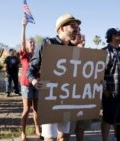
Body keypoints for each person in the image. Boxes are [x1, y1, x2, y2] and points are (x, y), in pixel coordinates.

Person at [27, 13, 82, 141]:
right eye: (73, 26)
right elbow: (30, 70)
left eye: (78, 27)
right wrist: (34, 81)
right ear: (62, 28)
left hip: (67, 98)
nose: (77, 29)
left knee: (64, 136)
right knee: (50, 137)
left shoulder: (75, 50)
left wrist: (94, 81)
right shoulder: (46, 44)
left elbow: (81, 74)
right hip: (50, 98)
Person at [19, 17, 42, 141]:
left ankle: (38, 129)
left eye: (33, 42)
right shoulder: (24, 55)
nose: (32, 44)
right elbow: (22, 43)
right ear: (27, 46)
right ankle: (23, 132)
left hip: (37, 84)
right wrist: (24, 27)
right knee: (27, 109)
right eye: (30, 43)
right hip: (26, 84)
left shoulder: (37, 56)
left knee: (37, 109)